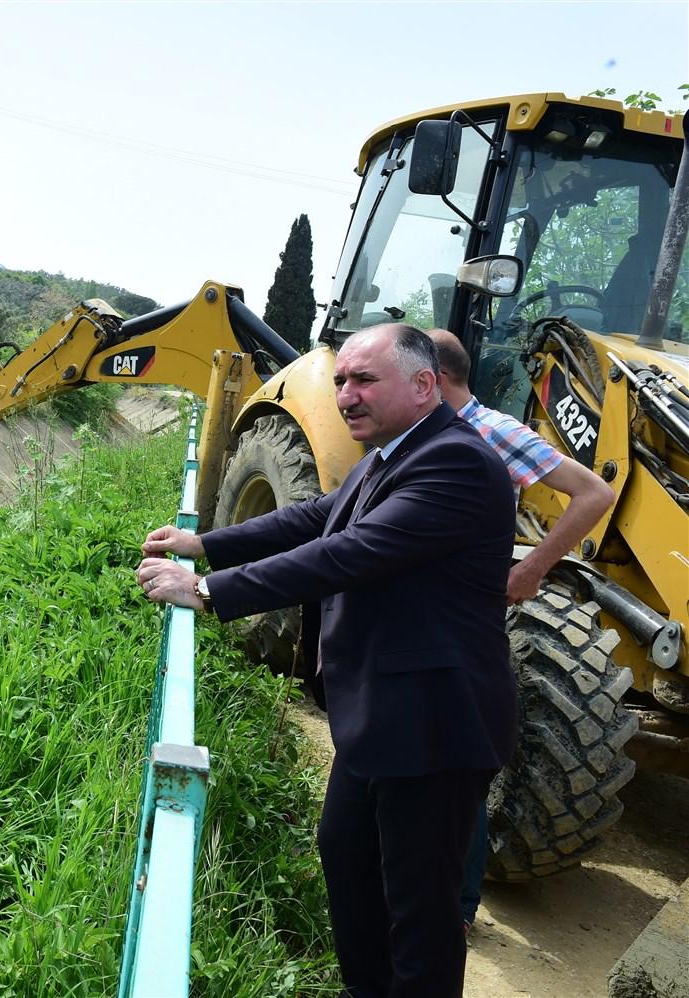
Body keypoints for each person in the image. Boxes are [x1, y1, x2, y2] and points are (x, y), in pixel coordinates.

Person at [137, 324, 517, 997]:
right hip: (379, 718)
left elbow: (347, 553)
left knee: (419, 915)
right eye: (341, 379)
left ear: (424, 385)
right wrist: (208, 545)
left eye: (363, 379)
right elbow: (317, 519)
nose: (345, 394)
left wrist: (204, 592)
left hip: (433, 729)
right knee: (347, 862)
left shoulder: (457, 462)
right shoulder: (388, 455)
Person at [428, 327, 615, 934]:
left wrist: (534, 566)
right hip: (426, 618)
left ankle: (455, 910)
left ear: (436, 378)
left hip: (466, 621)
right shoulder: (421, 435)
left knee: (457, 765)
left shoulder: (496, 433)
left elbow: (594, 491)